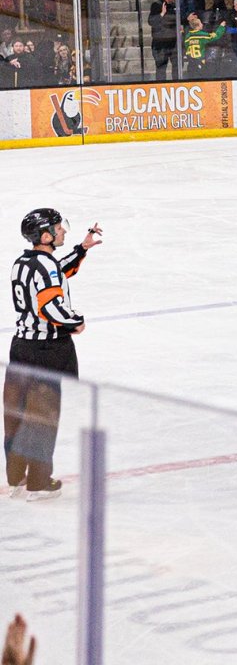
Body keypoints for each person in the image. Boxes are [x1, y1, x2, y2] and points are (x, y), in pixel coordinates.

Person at [7, 208, 101, 499]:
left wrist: (82, 249)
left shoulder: (23, 262)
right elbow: (50, 305)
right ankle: (38, 483)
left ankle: (16, 478)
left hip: (21, 347)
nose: (64, 231)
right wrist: (76, 321)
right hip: (47, 350)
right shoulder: (46, 267)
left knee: (17, 412)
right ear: (45, 235)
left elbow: (56, 271)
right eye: (60, 228)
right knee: (43, 416)